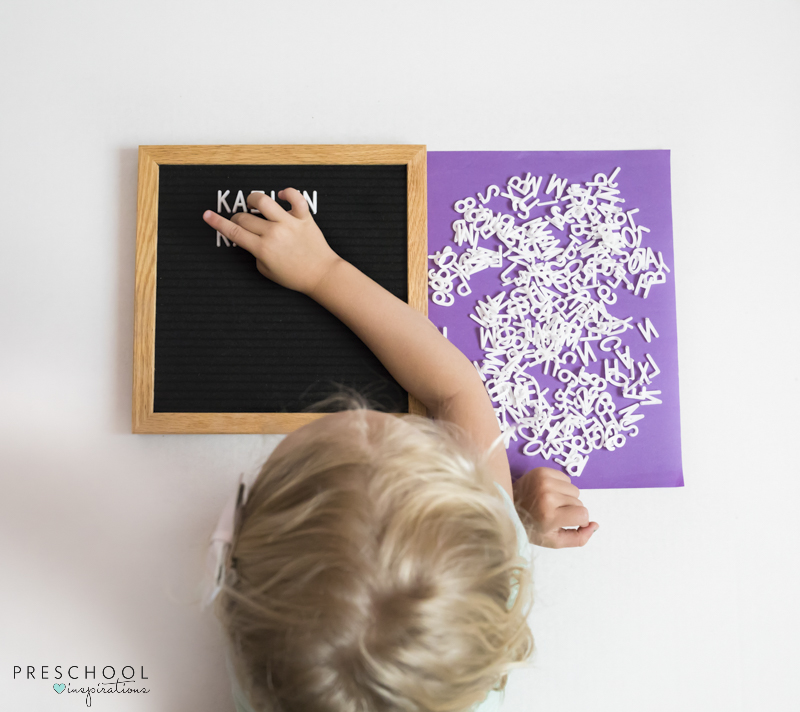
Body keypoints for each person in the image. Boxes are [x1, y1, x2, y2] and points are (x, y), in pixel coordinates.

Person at [201, 189, 599, 712]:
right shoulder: (492, 555)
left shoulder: (269, 661)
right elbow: (455, 389)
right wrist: (514, 518)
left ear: (228, 560)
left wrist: (322, 273)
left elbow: (455, 392)